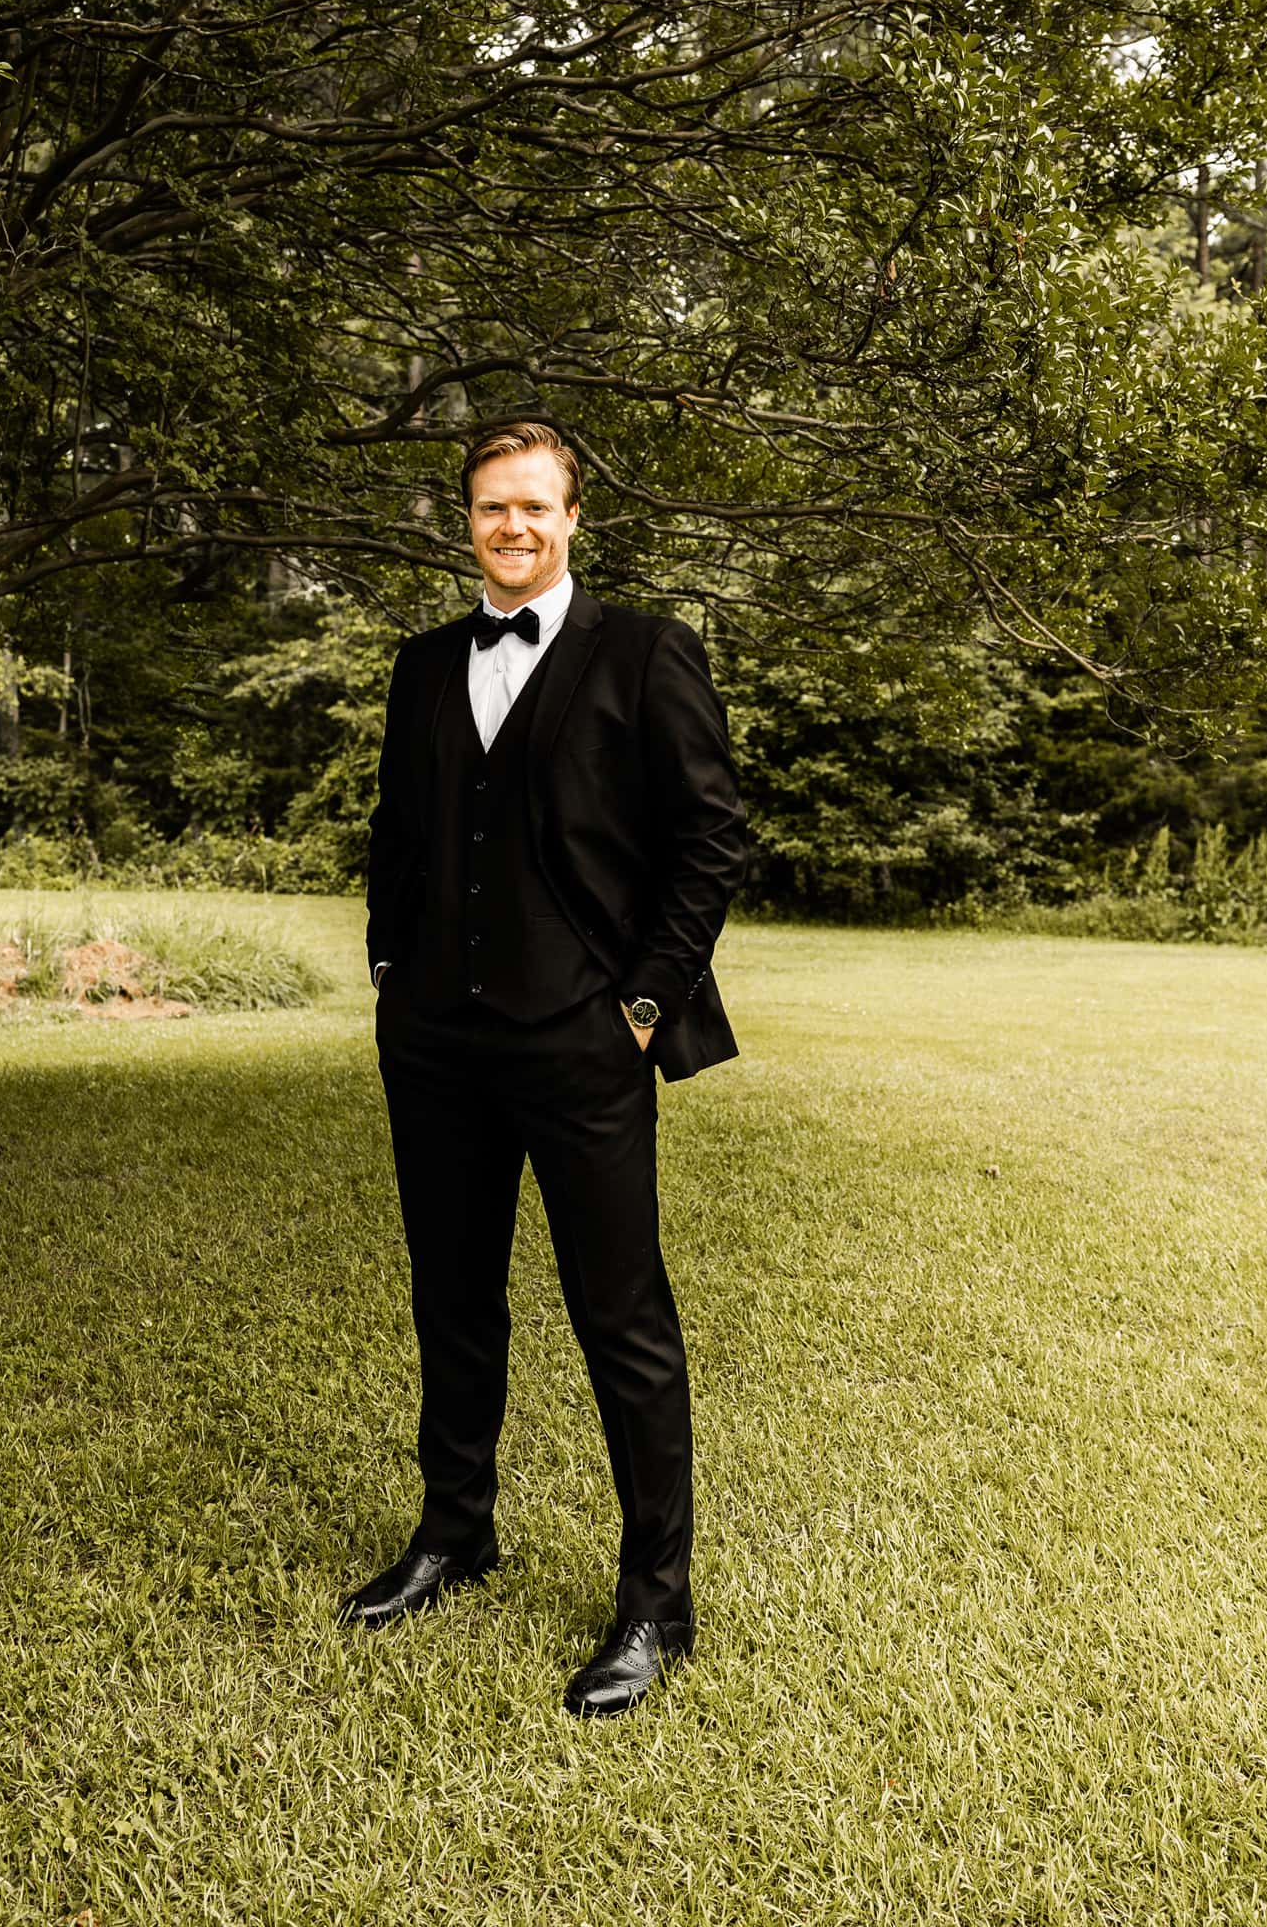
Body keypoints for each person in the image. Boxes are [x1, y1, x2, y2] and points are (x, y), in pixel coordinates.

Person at [342, 418, 746, 1717]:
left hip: (582, 1042)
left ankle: (655, 1604)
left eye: (533, 507)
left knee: (622, 1323)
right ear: (465, 523)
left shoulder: (643, 654)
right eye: (488, 509)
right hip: (438, 1045)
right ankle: (456, 1535)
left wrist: (639, 1004)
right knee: (451, 1304)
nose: (510, 528)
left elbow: (712, 844)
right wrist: (391, 977)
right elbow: (399, 837)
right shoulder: (421, 666)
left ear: (573, 518)